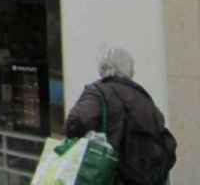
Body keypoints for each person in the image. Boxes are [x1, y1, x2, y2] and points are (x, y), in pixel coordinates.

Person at [66, 47, 177, 185]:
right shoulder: (144, 99)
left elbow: (76, 123)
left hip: (109, 176)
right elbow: (165, 141)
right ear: (129, 70)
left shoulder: (97, 92)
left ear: (103, 68)